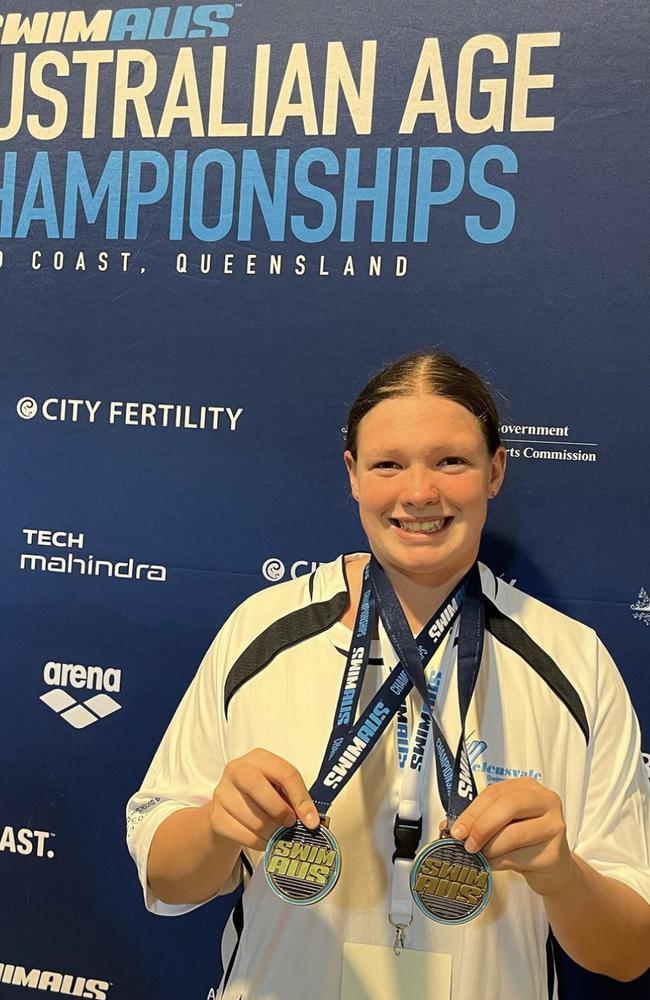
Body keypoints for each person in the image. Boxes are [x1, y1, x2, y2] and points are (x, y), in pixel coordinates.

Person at [127, 352, 650, 1000]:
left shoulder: (574, 661)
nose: (419, 493)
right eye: (388, 464)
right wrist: (214, 829)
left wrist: (561, 874)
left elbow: (629, 955)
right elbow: (165, 880)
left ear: (495, 470)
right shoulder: (261, 630)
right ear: (352, 474)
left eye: (450, 461)